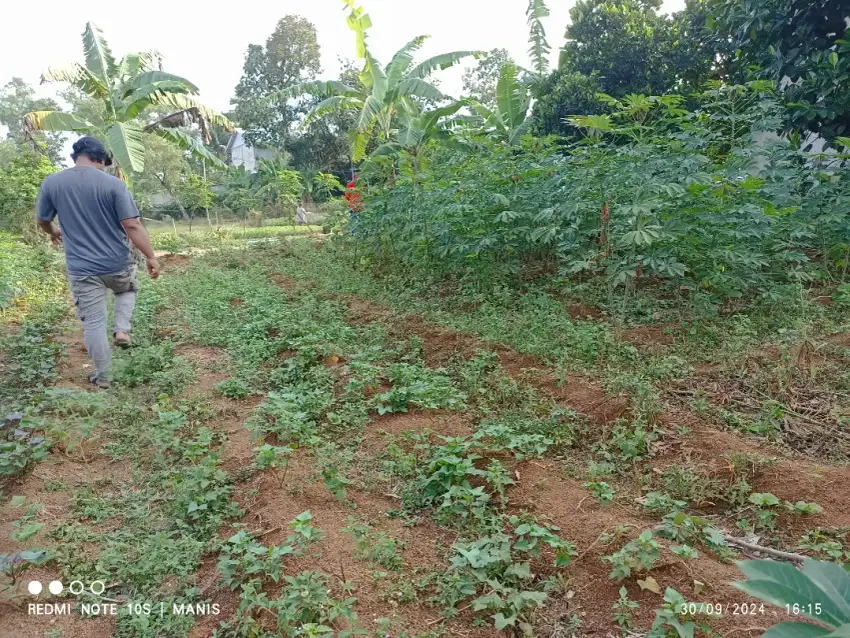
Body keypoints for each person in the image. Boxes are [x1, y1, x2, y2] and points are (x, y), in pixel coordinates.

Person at [36, 136, 161, 389]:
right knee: (127, 289)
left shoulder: (52, 183)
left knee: (93, 322)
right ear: (99, 159)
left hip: (82, 269)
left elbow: (42, 220)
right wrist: (151, 256)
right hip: (116, 263)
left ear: (76, 157)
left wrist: (54, 232)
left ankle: (104, 377)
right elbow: (132, 225)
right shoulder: (113, 185)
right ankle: (122, 330)